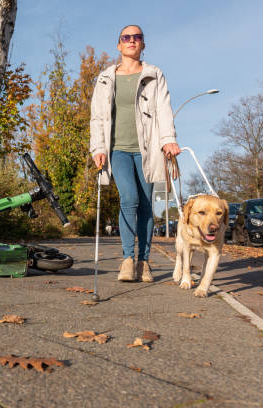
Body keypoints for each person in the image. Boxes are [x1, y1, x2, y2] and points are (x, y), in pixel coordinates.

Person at [89, 24, 181, 282]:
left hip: (147, 150)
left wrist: (168, 140)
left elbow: (163, 109)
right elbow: (97, 116)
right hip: (117, 149)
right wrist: (97, 147)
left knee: (145, 205)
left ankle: (144, 262)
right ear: (119, 45)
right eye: (126, 37)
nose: (132, 40)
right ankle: (128, 259)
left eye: (137, 37)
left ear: (142, 44)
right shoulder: (106, 77)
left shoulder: (154, 74)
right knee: (128, 199)